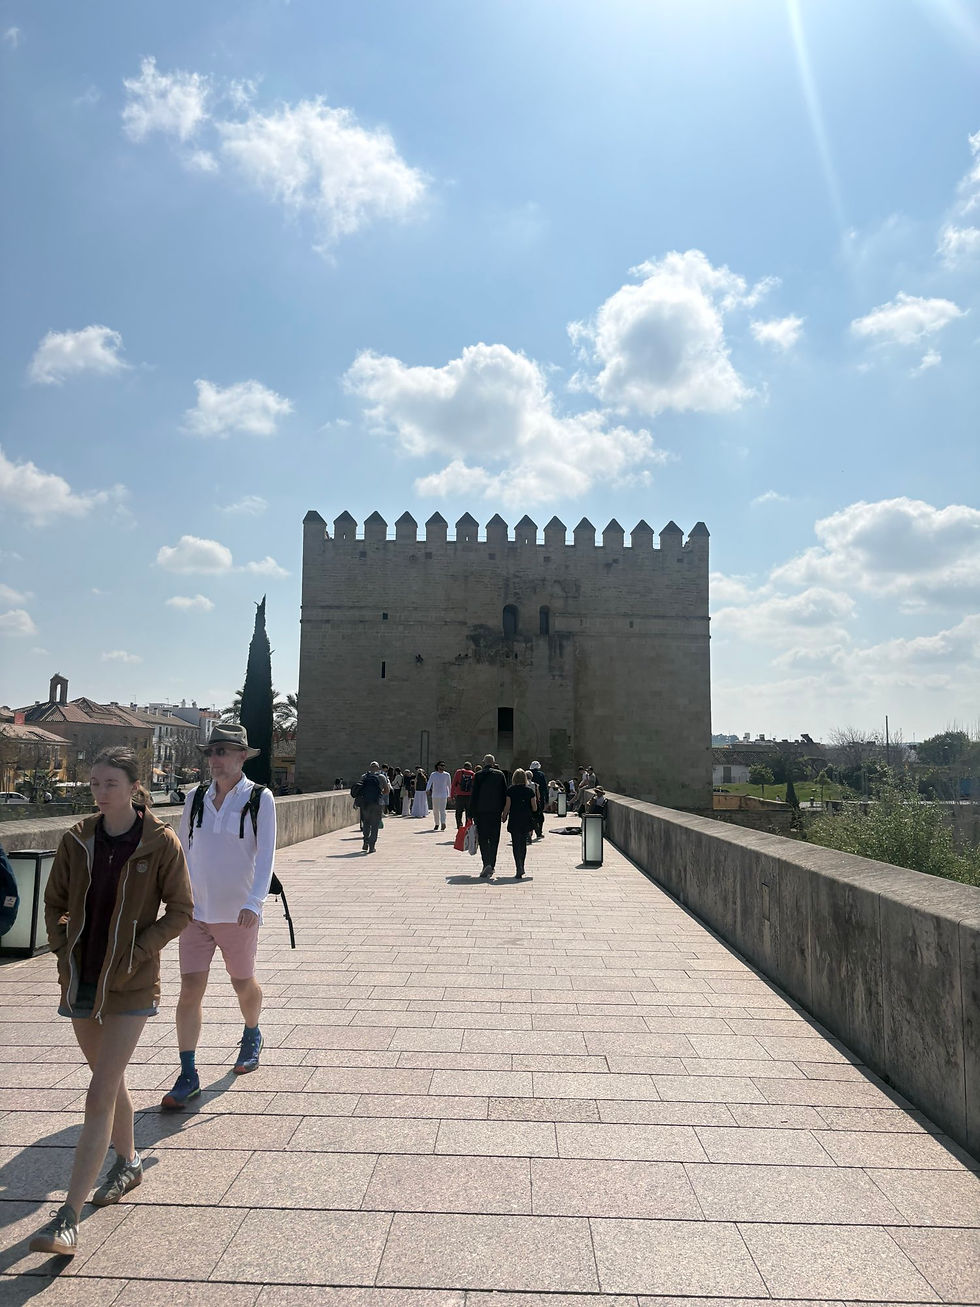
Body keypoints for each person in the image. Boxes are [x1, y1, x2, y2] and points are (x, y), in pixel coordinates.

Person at [29, 749, 193, 1256]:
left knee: (98, 1093)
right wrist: (64, 945)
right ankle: (129, 1161)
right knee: (109, 1076)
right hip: (81, 979)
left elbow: (182, 909)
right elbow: (54, 901)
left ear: (133, 788)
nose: (100, 793)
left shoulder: (160, 842)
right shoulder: (76, 838)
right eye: (95, 784)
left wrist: (139, 951)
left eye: (111, 785)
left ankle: (67, 1217)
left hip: (129, 984)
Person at [160, 724, 277, 1111]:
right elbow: (180, 852)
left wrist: (255, 902)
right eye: (211, 752)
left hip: (238, 914)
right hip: (195, 913)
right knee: (190, 989)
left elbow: (266, 857)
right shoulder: (194, 798)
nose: (215, 759)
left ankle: (252, 1032)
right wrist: (176, 900)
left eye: (223, 751)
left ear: (242, 756)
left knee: (242, 983)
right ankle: (188, 1072)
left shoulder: (260, 799)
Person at [470, 753, 507, 878]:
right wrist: (504, 812)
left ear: (484, 762)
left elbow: (474, 795)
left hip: (481, 812)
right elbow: (504, 794)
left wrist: (470, 813)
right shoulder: (500, 775)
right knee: (494, 839)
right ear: (494, 762)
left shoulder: (478, 775)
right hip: (495, 812)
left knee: (483, 838)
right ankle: (492, 864)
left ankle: (486, 863)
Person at [501, 767, 537, 880]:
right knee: (523, 845)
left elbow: (507, 806)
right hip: (526, 819)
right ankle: (522, 864)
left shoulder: (510, 790)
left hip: (515, 819)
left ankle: (518, 866)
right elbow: (535, 808)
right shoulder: (530, 791)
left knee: (516, 844)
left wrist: (504, 816)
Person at [356, 760, 390, 853]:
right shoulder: (381, 777)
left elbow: (359, 789)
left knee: (366, 823)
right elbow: (387, 790)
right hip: (377, 803)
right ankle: (372, 846)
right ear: (378, 768)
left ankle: (365, 841)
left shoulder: (364, 776)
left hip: (366, 803)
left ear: (370, 767)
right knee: (375, 825)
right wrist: (380, 793)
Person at [426, 761, 452, 831]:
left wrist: (449, 795)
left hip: (443, 795)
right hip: (435, 795)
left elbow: (449, 785)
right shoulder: (433, 774)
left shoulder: (447, 775)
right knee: (435, 810)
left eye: (444, 766)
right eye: (441, 765)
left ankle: (443, 823)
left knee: (442, 810)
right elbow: (429, 782)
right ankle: (437, 824)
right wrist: (427, 789)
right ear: (438, 766)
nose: (443, 767)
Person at [451, 760, 475, 828]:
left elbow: (453, 784)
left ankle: (459, 825)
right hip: (469, 796)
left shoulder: (459, 772)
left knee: (458, 812)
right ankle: (468, 826)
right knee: (469, 813)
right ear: (470, 767)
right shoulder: (473, 774)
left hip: (460, 796)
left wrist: (452, 795)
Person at [528, 761, 548, 840]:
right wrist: (546, 799)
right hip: (538, 798)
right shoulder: (541, 774)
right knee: (539, 816)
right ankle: (539, 831)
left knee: (530, 816)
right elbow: (544, 787)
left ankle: (530, 832)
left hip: (528, 799)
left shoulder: (527, 774)